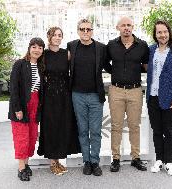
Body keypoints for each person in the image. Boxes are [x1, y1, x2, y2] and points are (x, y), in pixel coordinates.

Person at [104, 16, 149, 172]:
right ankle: (115, 158)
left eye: (129, 25)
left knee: (134, 126)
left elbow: (146, 65)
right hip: (115, 90)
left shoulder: (142, 46)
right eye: (123, 25)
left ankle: (135, 158)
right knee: (116, 126)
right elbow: (105, 63)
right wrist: (114, 72)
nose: (126, 28)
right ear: (118, 27)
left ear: (133, 27)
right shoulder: (111, 45)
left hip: (135, 91)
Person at [37, 27, 81, 176]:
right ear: (49, 36)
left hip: (64, 96)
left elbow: (73, 72)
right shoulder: (43, 55)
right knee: (50, 127)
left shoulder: (66, 54)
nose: (57, 37)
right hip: (49, 97)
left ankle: (58, 160)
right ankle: (52, 162)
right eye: (54, 35)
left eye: (60, 35)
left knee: (62, 127)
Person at [146, 20, 172, 176]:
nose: (162, 35)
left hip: (170, 99)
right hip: (152, 97)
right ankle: (159, 159)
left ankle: (169, 162)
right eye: (159, 32)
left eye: (164, 32)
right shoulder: (150, 50)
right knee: (156, 130)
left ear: (169, 33)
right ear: (155, 35)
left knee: (169, 131)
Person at [67, 19, 107, 176]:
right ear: (78, 31)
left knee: (95, 131)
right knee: (83, 130)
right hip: (77, 95)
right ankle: (86, 161)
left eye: (88, 29)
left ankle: (95, 161)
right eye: (82, 29)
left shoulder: (101, 48)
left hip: (96, 96)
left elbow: (110, 66)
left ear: (92, 31)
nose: (85, 32)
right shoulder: (71, 46)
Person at [8, 37, 45, 181]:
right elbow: (13, 88)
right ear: (29, 48)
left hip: (35, 104)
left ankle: (27, 163)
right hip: (22, 104)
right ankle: (21, 167)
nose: (37, 50)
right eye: (34, 47)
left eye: (40, 48)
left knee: (32, 135)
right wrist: (17, 108)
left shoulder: (41, 67)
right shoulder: (20, 64)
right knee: (21, 135)